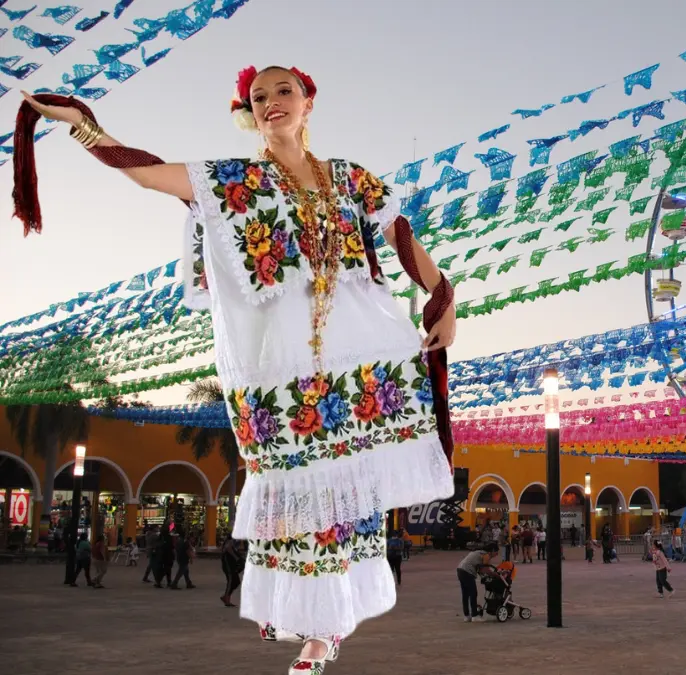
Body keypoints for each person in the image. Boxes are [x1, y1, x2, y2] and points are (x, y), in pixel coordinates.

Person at [17, 65, 459, 674]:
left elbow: (400, 235)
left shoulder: (350, 178)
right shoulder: (238, 183)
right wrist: (83, 128)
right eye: (259, 96)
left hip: (357, 355)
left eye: (284, 91)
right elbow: (150, 175)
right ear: (248, 112)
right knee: (293, 488)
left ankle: (325, 628)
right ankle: (306, 615)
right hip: (279, 368)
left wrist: (443, 298)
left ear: (308, 100)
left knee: (348, 493)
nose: (273, 102)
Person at [457, 543, 498, 622]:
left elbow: (480, 569)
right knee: (473, 593)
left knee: (465, 594)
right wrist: (496, 575)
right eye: (496, 552)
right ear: (492, 550)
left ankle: (467, 615)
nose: (496, 555)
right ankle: (475, 616)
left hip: (460, 570)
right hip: (467, 572)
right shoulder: (486, 555)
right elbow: (485, 570)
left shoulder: (478, 552)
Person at [221, 536, 245, 607]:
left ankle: (226, 596)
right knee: (231, 581)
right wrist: (236, 557)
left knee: (236, 581)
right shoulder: (231, 538)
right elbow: (228, 548)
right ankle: (227, 598)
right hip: (228, 564)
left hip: (233, 564)